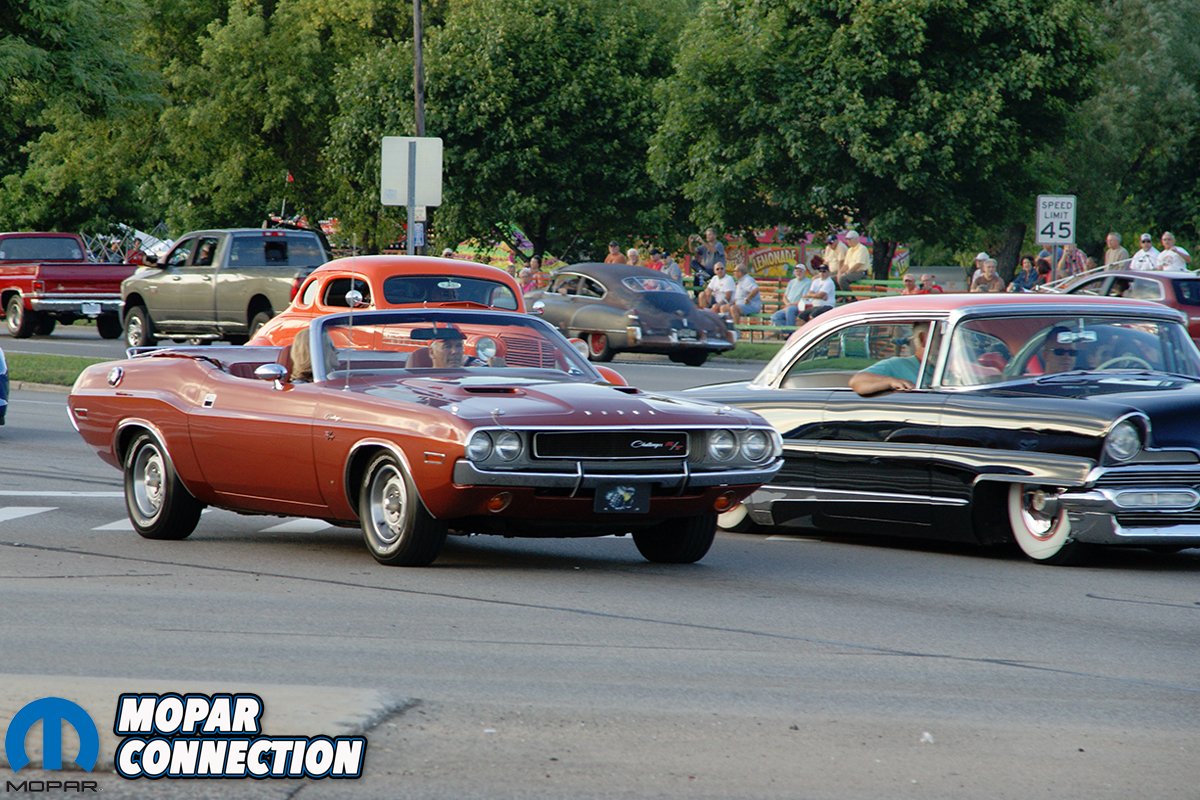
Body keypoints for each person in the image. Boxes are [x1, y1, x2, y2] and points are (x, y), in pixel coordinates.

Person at [849, 321, 931, 395]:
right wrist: (891, 382)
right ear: (923, 339)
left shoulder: (937, 369)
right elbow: (858, 381)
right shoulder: (897, 365)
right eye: (938, 336)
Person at [771, 263, 812, 328]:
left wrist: (790, 305)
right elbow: (785, 296)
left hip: (799, 306)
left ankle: (790, 330)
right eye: (797, 271)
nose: (798, 273)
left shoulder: (808, 282)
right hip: (788, 305)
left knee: (790, 310)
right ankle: (790, 330)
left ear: (804, 272)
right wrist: (787, 304)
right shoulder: (791, 282)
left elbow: (804, 299)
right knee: (775, 317)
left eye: (800, 271)